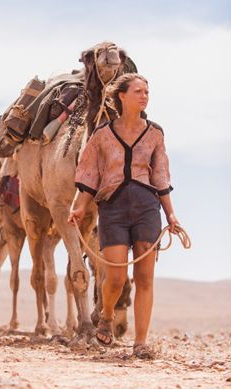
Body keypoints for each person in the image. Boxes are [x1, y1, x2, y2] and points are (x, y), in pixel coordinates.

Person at [68, 72, 179, 359]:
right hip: (113, 208)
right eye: (139, 91)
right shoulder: (101, 135)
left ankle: (140, 342)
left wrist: (171, 215)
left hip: (146, 208)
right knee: (116, 277)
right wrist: (80, 206)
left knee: (145, 278)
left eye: (147, 91)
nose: (145, 96)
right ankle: (105, 315)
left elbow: (161, 175)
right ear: (122, 96)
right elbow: (89, 175)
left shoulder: (155, 133)